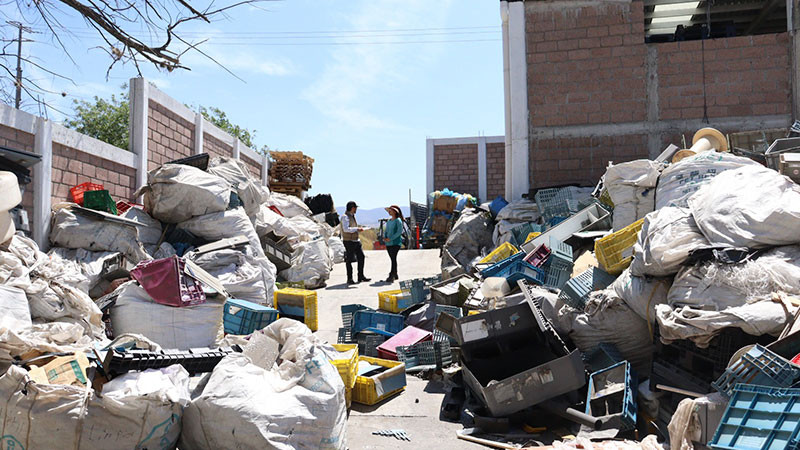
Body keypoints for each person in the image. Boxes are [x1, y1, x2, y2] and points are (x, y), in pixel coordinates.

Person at [341, 201, 370, 285]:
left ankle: (360, 276)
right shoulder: (345, 217)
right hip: (349, 241)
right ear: (352, 208)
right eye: (355, 208)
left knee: (361, 257)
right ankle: (349, 278)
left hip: (356, 241)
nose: (356, 209)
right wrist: (357, 229)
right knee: (349, 260)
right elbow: (346, 229)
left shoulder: (352, 216)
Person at [383, 205, 404, 283]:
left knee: (393, 259)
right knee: (393, 259)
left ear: (395, 211)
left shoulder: (398, 220)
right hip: (388, 243)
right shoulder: (389, 221)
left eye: (390, 210)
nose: (389, 212)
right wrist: (385, 237)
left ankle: (392, 274)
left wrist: (390, 238)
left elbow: (399, 232)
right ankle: (395, 274)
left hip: (395, 243)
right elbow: (387, 230)